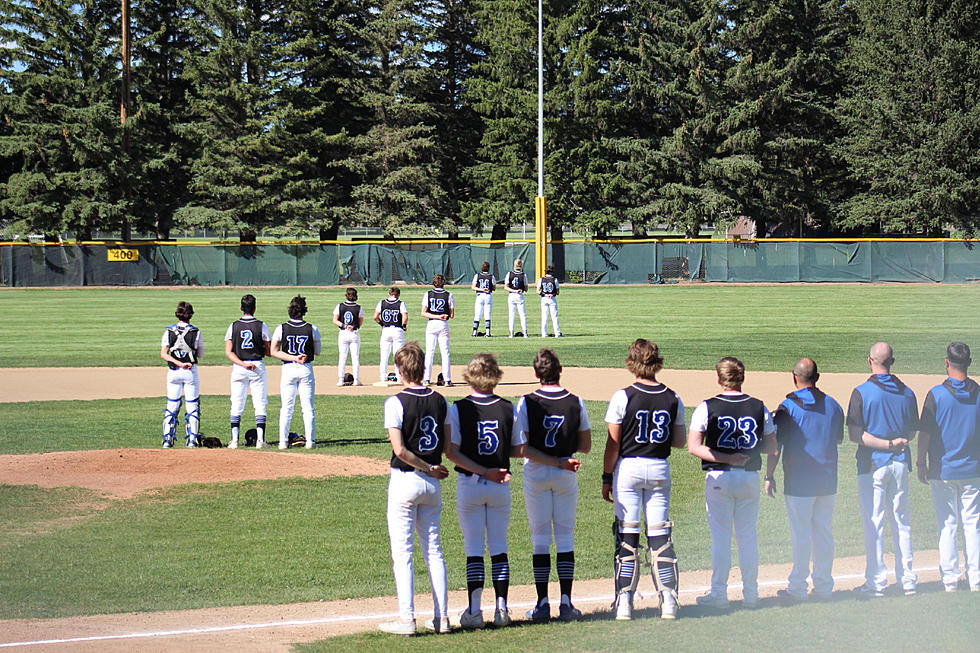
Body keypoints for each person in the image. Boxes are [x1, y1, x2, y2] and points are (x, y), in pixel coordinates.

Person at [602, 339, 685, 621]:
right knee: (660, 536)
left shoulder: (623, 396)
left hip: (629, 467)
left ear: (632, 362)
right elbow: (679, 441)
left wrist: (605, 476)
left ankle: (624, 601)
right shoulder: (673, 397)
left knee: (627, 536)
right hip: (659, 466)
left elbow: (613, 443)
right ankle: (668, 601)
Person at [688, 357, 777, 610]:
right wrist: (763, 468)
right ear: (742, 378)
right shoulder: (759, 407)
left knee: (721, 538)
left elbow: (694, 447)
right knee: (747, 537)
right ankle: (751, 593)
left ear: (719, 379)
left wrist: (728, 456)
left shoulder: (707, 407)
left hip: (720, 477)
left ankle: (719, 593)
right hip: (749, 478)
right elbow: (773, 447)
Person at [379, 341, 452, 636]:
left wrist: (426, 467)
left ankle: (407, 618)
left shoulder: (395, 402)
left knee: (403, 553)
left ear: (399, 370)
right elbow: (447, 445)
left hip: (406, 480)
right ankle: (442, 618)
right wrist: (433, 468)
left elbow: (400, 450)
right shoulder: (440, 400)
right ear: (423, 368)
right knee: (434, 551)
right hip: (433, 484)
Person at [515, 349, 592, 622]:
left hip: (536, 472)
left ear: (536, 373)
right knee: (565, 537)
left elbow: (521, 447)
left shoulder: (526, 402)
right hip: (566, 472)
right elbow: (585, 445)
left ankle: (542, 603)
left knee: (539, 538)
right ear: (560, 370)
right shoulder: (575, 401)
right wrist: (562, 454)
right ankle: (567, 602)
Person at [446, 354, 522, 629]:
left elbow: (451, 451)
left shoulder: (459, 408)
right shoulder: (506, 407)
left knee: (474, 549)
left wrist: (480, 470)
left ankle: (475, 610)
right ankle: (501, 609)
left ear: (469, 377)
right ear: (496, 376)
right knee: (499, 546)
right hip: (500, 483)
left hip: (470, 484)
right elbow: (517, 448)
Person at [764, 358, 845, 602]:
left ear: (794, 377)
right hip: (827, 478)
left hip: (799, 480)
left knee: (801, 534)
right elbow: (838, 440)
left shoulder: (787, 408)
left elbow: (775, 447)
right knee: (823, 532)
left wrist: (769, 475)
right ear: (817, 377)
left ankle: (797, 588)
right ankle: (823, 586)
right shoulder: (833, 405)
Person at [847, 342, 919, 597]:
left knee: (874, 524)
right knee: (902, 522)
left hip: (872, 465)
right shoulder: (908, 393)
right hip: (900, 465)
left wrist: (885, 445)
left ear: (870, 361)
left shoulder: (861, 392)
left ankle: (876, 583)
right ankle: (908, 580)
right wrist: (895, 444)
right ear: (893, 361)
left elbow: (855, 435)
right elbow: (911, 431)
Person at [916, 342, 980, 592]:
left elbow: (925, 434)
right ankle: (976, 578)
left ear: (946, 362)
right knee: (973, 524)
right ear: (969, 363)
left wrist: (921, 462)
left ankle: (950, 579)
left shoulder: (936, 395)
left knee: (948, 524)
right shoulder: (979, 393)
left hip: (943, 470)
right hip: (973, 471)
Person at [271, 295, 321, 450]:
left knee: (286, 407)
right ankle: (310, 442)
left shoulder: (281, 328)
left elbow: (273, 351)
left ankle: (283, 442)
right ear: (304, 310)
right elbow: (317, 351)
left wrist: (293, 357)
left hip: (288, 367)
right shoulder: (312, 328)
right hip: (305, 368)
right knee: (308, 407)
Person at [223, 294, 271, 449]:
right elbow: (269, 351)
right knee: (260, 403)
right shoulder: (261, 325)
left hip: (239, 367)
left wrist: (242, 364)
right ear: (255, 308)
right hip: (257, 366)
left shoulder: (233, 326)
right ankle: (260, 441)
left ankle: (235, 440)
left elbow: (228, 352)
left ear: (241, 308)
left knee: (236, 403)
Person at [160, 301, 204, 448]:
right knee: (192, 405)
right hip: (190, 372)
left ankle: (167, 439)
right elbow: (200, 353)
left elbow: (163, 354)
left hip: (173, 373)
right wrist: (184, 362)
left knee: (172, 404)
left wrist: (177, 362)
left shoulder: (169, 331)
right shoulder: (195, 332)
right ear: (190, 315)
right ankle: (192, 440)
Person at [421, 273, 454, 387]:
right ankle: (447, 379)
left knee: (429, 352)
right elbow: (452, 314)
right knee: (445, 352)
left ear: (433, 283)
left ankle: (426, 379)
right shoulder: (448, 295)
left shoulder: (428, 294)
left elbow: (423, 313)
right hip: (443, 324)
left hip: (431, 324)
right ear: (443, 283)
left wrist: (435, 315)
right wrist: (441, 316)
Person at [374, 286, 408, 383]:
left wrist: (382, 324)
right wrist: (404, 326)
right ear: (398, 295)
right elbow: (405, 317)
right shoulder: (400, 303)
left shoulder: (382, 303)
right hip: (397, 329)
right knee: (398, 355)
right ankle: (398, 376)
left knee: (384, 355)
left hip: (386, 330)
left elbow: (375, 316)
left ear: (389, 294)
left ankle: (383, 377)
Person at [332, 287, 364, 386]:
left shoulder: (340, 306)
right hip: (354, 333)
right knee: (355, 357)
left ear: (346, 295)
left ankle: (341, 380)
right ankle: (356, 379)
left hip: (343, 332)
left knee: (342, 357)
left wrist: (344, 326)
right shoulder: (359, 307)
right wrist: (353, 326)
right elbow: (360, 322)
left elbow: (335, 320)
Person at [503, 259, 529, 338]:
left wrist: (513, 290)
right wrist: (519, 290)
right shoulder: (523, 275)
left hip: (511, 295)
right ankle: (525, 333)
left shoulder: (509, 274)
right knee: (522, 315)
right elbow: (526, 288)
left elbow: (506, 287)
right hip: (519, 295)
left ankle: (511, 333)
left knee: (511, 315)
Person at [471, 261, 496, 338]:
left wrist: (481, 289)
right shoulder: (491, 276)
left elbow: (473, 287)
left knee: (477, 314)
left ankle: (474, 332)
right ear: (488, 268)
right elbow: (494, 288)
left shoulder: (477, 276)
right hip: (488, 296)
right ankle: (488, 332)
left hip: (479, 295)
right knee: (487, 314)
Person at [537, 264, 562, 337]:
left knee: (544, 317)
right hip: (552, 299)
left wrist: (545, 294)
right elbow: (557, 292)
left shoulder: (541, 279)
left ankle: (544, 334)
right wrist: (552, 294)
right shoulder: (555, 279)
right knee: (554, 317)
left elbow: (538, 291)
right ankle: (557, 333)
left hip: (544, 298)